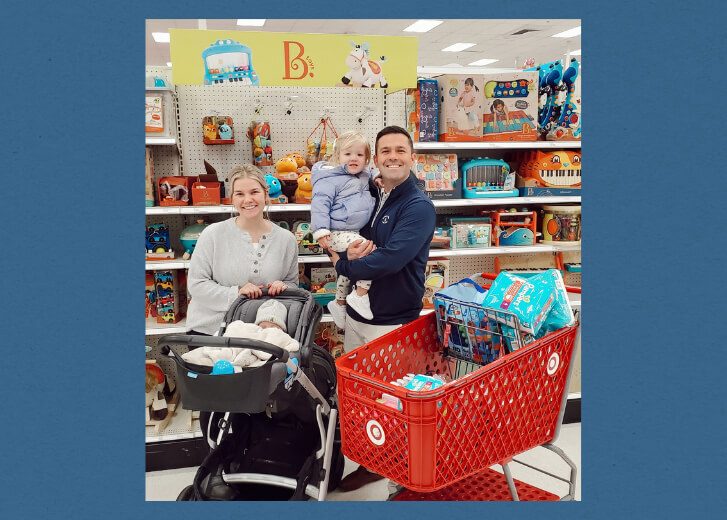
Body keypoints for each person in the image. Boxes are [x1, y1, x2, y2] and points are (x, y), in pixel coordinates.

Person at [327, 125, 436, 491]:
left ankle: (400, 476)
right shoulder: (377, 193)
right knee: (365, 399)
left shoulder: (418, 206)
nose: (392, 156)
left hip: (391, 321)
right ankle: (374, 462)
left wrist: (341, 265)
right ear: (376, 158)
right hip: (360, 315)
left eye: (400, 150)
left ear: (411, 157)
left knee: (391, 402)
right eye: (385, 150)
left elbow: (391, 259)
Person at [184, 163, 299, 442]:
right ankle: (217, 455)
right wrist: (236, 292)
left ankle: (248, 458)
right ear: (231, 199)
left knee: (254, 405)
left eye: (254, 192)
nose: (248, 200)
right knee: (216, 405)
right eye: (239, 194)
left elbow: (293, 286)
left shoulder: (285, 240)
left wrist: (283, 287)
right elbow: (196, 285)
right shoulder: (213, 235)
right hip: (212, 332)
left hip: (256, 338)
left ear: (265, 194)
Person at [310, 131, 376, 329]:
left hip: (351, 230)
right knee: (368, 250)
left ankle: (339, 303)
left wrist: (379, 176)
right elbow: (320, 204)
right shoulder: (329, 179)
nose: (353, 158)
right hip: (335, 232)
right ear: (337, 156)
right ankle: (360, 294)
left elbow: (373, 173)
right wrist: (321, 230)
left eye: (359, 154)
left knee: (348, 266)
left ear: (366, 159)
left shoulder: (364, 175)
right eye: (348, 154)